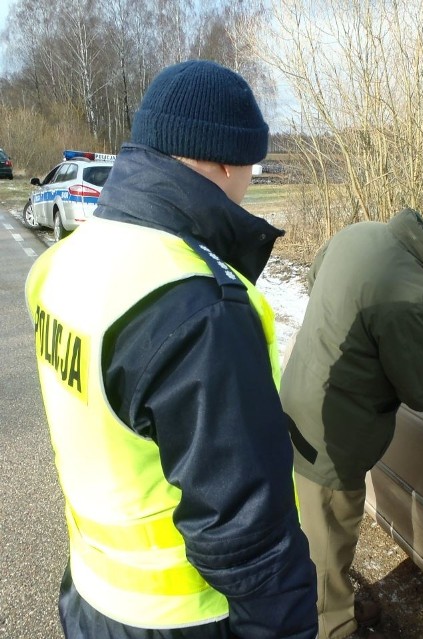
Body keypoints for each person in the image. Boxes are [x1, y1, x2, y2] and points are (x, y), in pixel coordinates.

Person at [25, 60, 317, 639]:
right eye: (252, 165)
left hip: (92, 592)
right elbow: (244, 527)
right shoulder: (199, 304)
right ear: (228, 161)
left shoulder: (64, 260)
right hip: (186, 617)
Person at [279, 186, 423, 639]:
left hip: (300, 403)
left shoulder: (361, 234)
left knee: (311, 533)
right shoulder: (416, 291)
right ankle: (332, 622)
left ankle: (330, 601)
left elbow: (315, 277)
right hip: (334, 439)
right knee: (327, 550)